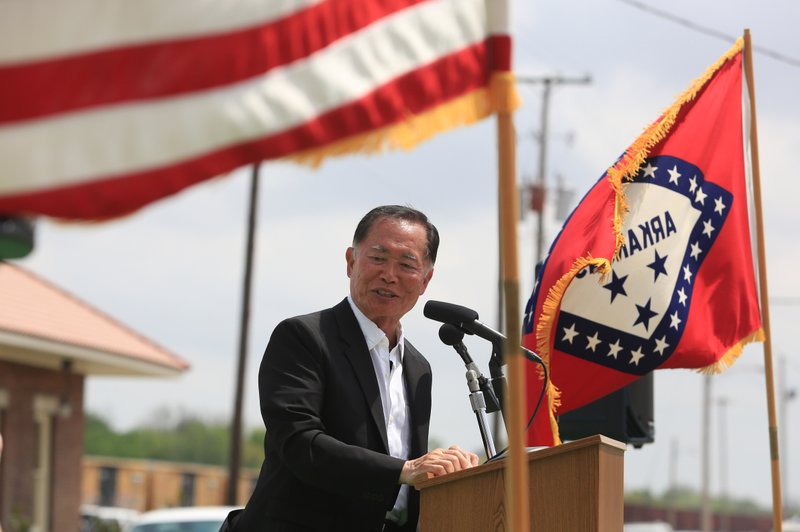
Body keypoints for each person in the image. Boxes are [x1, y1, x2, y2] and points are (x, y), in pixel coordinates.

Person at [226, 205, 478, 532]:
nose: (389, 274)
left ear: (425, 280)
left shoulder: (418, 368)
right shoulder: (304, 337)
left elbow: (407, 475)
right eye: (378, 257)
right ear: (350, 261)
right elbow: (299, 443)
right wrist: (404, 469)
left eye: (406, 264)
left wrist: (446, 473)